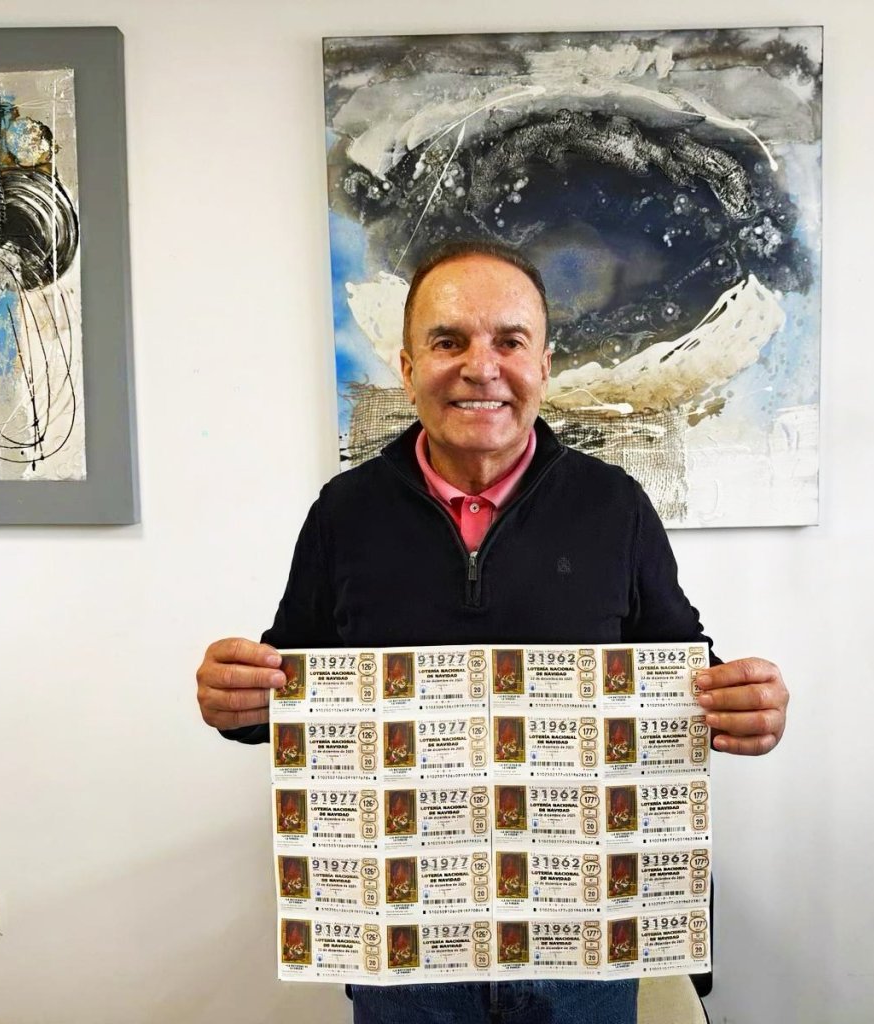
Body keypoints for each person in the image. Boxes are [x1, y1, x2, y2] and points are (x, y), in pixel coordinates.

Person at [196, 240, 790, 1024]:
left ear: (543, 364)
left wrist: (745, 705)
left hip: (582, 947)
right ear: (407, 367)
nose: (481, 368)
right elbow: (289, 683)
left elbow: (682, 672)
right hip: (403, 950)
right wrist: (236, 700)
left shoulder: (614, 505)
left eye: (509, 341)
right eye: (449, 341)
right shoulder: (345, 512)